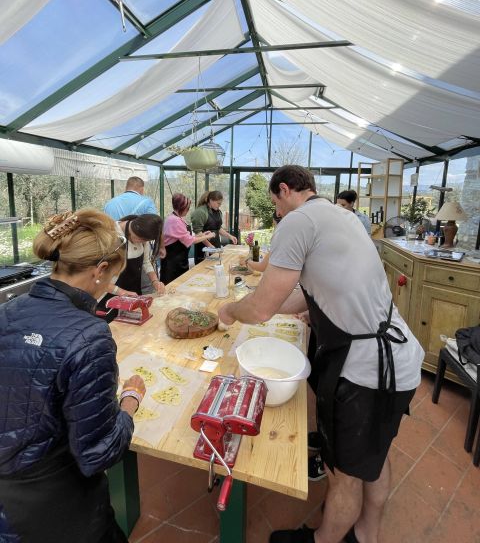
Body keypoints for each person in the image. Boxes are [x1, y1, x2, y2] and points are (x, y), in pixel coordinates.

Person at [218, 166, 424, 543]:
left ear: (284, 190)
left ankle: (324, 540)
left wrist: (231, 311)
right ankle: (366, 534)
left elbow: (261, 308)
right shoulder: (341, 216)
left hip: (367, 368)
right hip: (400, 356)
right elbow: (307, 293)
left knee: (344, 474)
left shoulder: (298, 222)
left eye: (275, 205)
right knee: (374, 457)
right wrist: (280, 304)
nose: (276, 213)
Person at [0, 209, 147, 543]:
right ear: (99, 271)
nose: (112, 286)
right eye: (112, 278)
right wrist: (129, 403)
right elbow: (99, 452)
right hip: (52, 506)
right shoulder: (89, 336)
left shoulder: (7, 309)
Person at [100, 214, 165, 309]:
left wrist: (155, 281)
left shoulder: (143, 236)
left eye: (144, 241)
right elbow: (98, 279)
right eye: (139, 239)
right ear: (135, 228)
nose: (140, 242)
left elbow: (146, 262)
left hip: (133, 292)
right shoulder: (110, 235)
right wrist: (121, 292)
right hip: (109, 294)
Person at [160, 193, 216, 284]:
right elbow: (189, 241)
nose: (188, 210)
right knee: (172, 287)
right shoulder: (174, 220)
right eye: (187, 208)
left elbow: (184, 237)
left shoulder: (178, 219)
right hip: (172, 263)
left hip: (180, 260)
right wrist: (208, 236)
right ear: (181, 207)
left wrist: (202, 235)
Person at [191, 190, 237, 264]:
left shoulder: (217, 211)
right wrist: (211, 247)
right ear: (211, 200)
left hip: (216, 247)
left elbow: (218, 228)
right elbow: (198, 234)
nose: (220, 205)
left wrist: (230, 236)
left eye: (220, 203)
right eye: (218, 203)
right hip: (204, 249)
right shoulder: (200, 212)